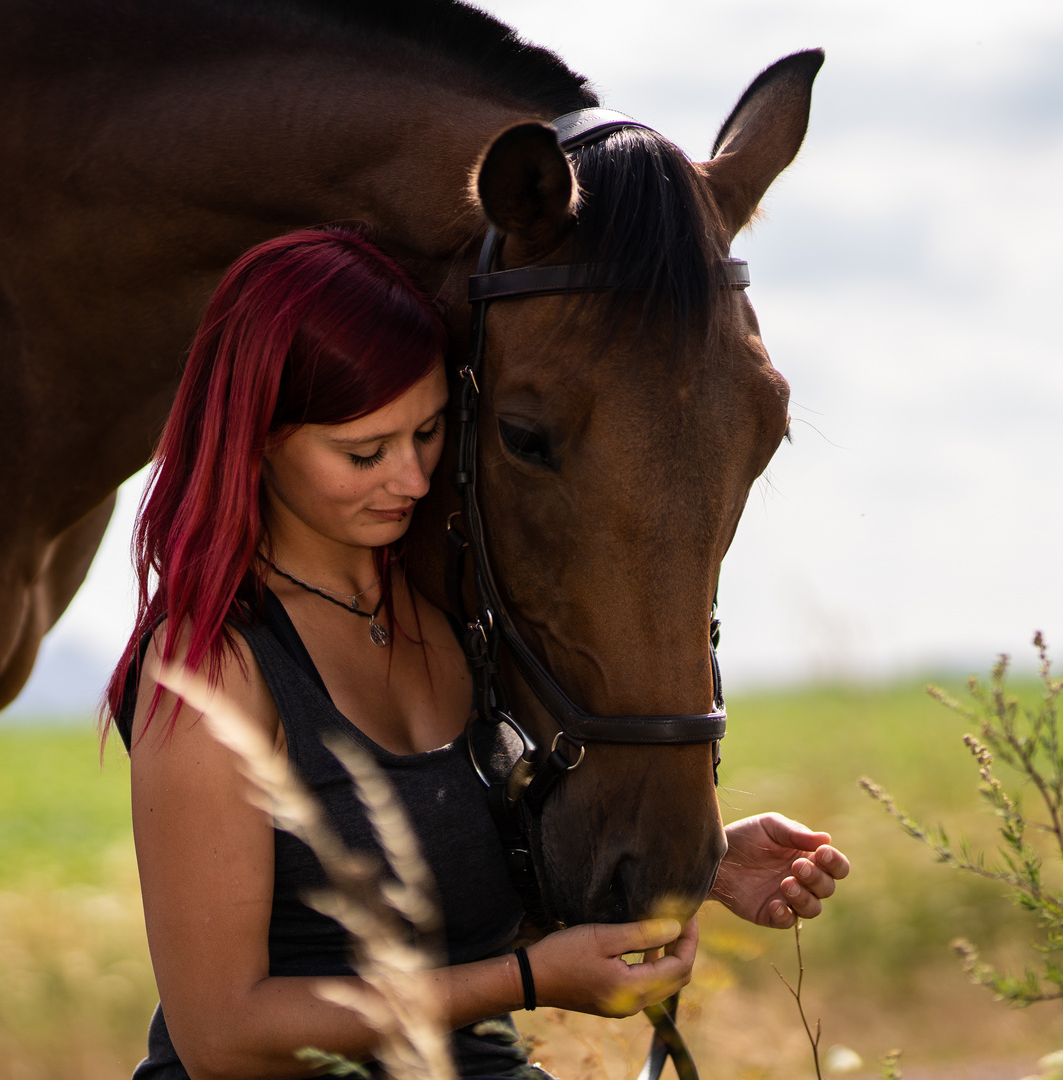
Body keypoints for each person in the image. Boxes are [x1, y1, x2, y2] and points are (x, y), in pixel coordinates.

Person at [107, 227, 850, 1080]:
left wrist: (699, 869)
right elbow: (223, 1037)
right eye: (364, 453)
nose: (413, 480)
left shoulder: (456, 626)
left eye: (428, 433)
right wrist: (527, 980)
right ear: (258, 438)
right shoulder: (213, 667)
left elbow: (458, 890)